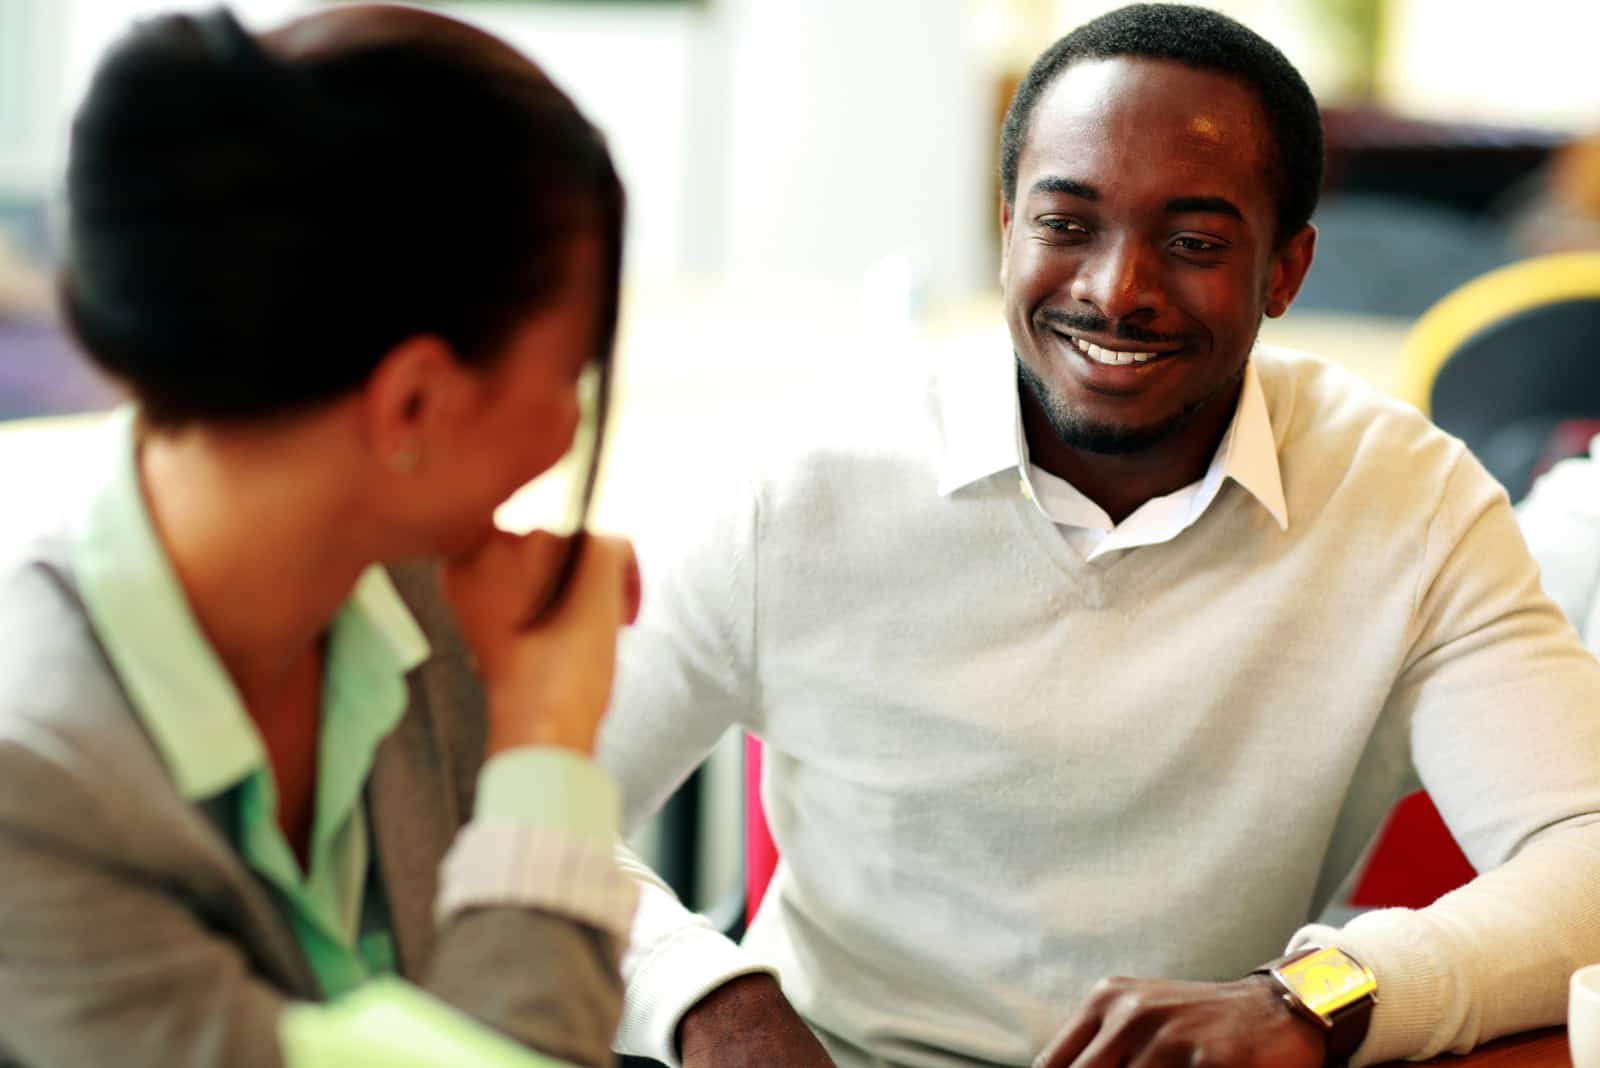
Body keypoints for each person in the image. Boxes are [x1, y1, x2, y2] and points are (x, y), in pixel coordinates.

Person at [595, 5, 1600, 1068]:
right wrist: (711, 1001)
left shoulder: (1406, 503)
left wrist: (1311, 1000)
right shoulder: (802, 483)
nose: (1114, 290)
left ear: (1286, 270)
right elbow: (518, 819)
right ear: (1005, 229)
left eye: (1192, 243)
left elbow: (1582, 857)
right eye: (1065, 225)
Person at [0, 6, 642, 1067]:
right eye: (567, 375)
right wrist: (542, 742)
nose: (570, 428)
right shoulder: (33, 783)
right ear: (414, 406)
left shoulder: (424, 600)